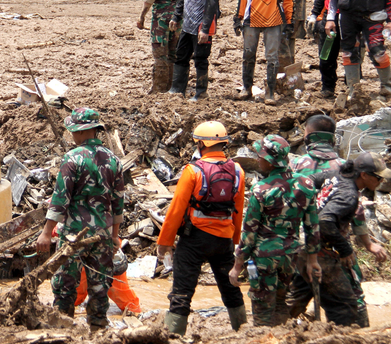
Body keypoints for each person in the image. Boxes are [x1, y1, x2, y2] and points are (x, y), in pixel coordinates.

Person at [289, 114, 387, 326]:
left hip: (298, 241)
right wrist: (366, 244)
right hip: (331, 244)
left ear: (308, 137)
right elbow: (356, 212)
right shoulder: (345, 168)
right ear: (333, 138)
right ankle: (358, 333)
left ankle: (275, 329)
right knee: (351, 298)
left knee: (296, 292)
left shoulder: (296, 165)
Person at [34, 108, 123, 329]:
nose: (71, 135)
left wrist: (46, 233)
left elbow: (59, 200)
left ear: (81, 131)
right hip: (102, 236)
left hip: (74, 235)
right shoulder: (114, 160)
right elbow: (119, 203)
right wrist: (115, 237)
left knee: (65, 285)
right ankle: (98, 329)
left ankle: (62, 329)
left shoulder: (72, 158)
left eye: (72, 131)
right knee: (100, 287)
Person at [157, 121, 246, 336]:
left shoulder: (192, 171)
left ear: (201, 145)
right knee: (231, 289)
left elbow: (176, 211)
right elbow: (238, 209)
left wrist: (164, 243)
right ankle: (243, 332)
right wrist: (234, 241)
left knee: (182, 292)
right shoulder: (238, 170)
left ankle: (174, 336)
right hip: (223, 241)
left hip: (193, 240)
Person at [228, 135, 321, 327]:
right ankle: (283, 335)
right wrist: (312, 260)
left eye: (260, 157)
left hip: (265, 258)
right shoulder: (306, 185)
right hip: (290, 257)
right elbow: (312, 226)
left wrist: (237, 265)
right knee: (280, 302)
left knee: (262, 307)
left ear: (270, 162)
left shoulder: (261, 190)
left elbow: (249, 232)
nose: (258, 160)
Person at [234, 0, 294, 106]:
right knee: (248, 54)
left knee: (272, 58)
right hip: (251, 19)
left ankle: (270, 92)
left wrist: (289, 21)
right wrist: (238, 18)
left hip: (274, 20)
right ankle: (246, 88)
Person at [168, 0, 224, 101]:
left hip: (202, 26)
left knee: (200, 59)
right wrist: (176, 17)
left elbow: (212, 4)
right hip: (187, 24)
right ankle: (177, 90)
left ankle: (201, 92)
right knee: (181, 57)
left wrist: (205, 29)